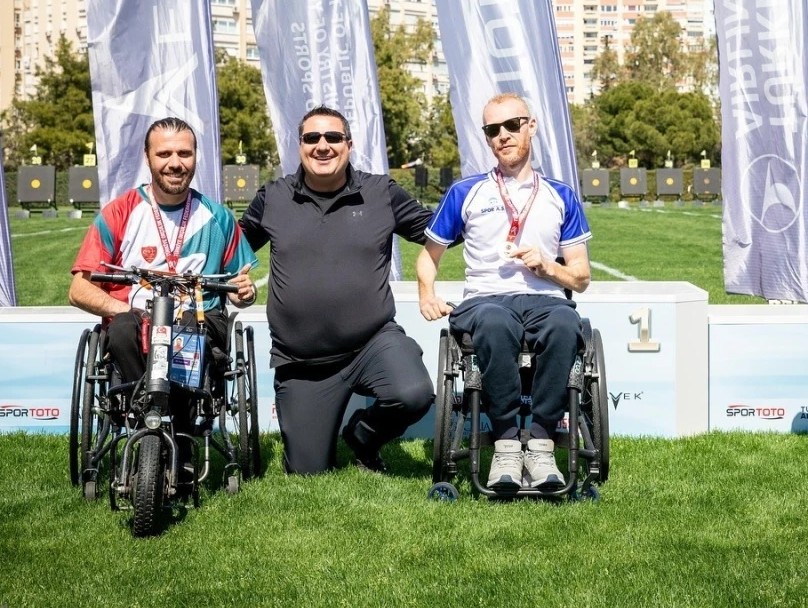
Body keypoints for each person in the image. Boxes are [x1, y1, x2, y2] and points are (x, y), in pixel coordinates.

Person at [239, 106, 435, 476]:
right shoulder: (273, 198)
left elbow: (439, 231)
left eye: (333, 137)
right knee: (308, 472)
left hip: (373, 343)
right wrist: (237, 282)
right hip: (302, 362)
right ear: (300, 145)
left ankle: (364, 437)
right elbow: (232, 248)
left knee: (413, 394)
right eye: (312, 138)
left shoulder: (381, 193)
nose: (322, 145)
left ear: (349, 144)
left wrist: (486, 209)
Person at [417, 93, 591, 492]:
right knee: (496, 323)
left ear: (531, 126)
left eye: (512, 125)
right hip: (485, 300)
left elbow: (581, 277)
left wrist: (547, 266)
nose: (503, 135)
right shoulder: (466, 191)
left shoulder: (560, 194)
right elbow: (428, 256)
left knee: (566, 324)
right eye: (493, 129)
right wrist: (426, 293)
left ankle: (542, 445)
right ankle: (507, 444)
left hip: (546, 300)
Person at [68, 116, 258, 415]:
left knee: (188, 329)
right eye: (164, 154)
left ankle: (180, 420)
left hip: (198, 317)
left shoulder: (218, 218)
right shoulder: (118, 213)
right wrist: (128, 311)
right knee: (122, 329)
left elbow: (239, 290)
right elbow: (78, 290)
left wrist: (245, 292)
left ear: (195, 156)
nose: (175, 163)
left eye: (184, 153)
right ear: (148, 158)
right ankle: (142, 412)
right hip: (134, 318)